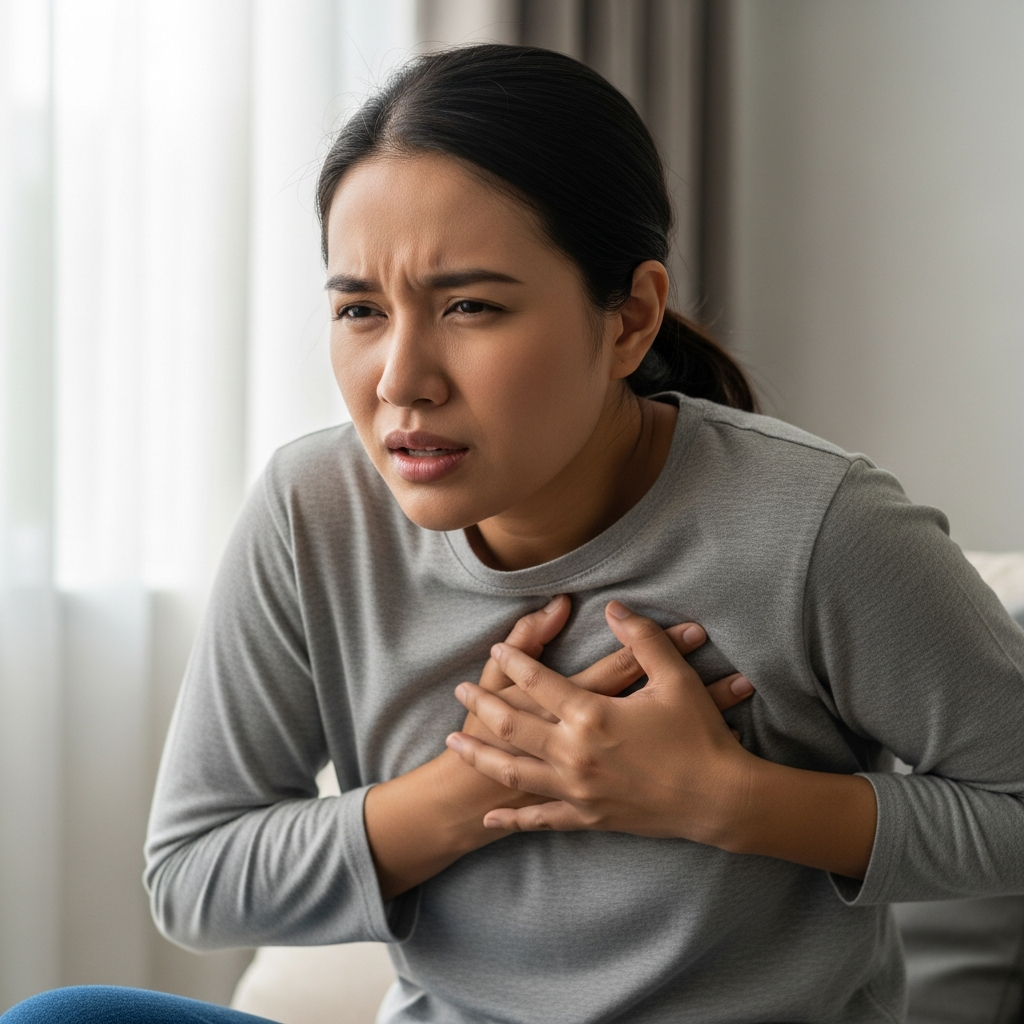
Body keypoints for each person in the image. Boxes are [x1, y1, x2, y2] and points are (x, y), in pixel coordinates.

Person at [7, 43, 1023, 1024]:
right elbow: (195, 874)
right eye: (360, 309)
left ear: (628, 319)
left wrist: (721, 798)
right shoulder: (311, 509)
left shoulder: (817, 526)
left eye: (470, 306)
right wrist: (467, 789)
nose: (400, 379)